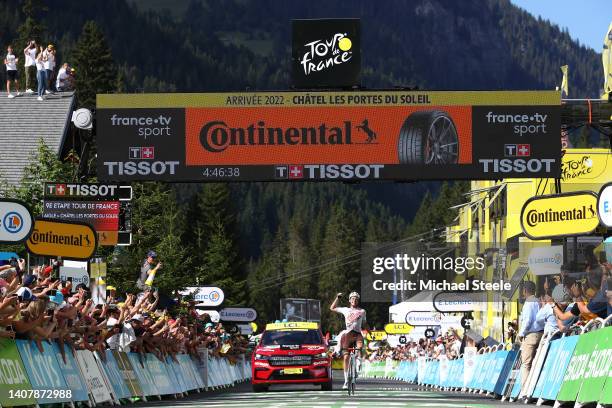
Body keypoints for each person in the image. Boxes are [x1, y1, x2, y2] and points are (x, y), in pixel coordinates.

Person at [330, 291, 367, 390]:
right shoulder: (345, 310)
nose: (354, 300)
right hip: (348, 335)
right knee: (346, 357)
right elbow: (332, 308)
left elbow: (364, 323)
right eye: (352, 299)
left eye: (356, 299)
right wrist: (337, 298)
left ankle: (358, 361)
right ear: (350, 300)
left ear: (358, 301)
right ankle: (346, 381)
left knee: (359, 348)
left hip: (358, 334)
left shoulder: (362, 311)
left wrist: (369, 332)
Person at [518, 281, 543, 391]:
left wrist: (521, 333)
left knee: (526, 364)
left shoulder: (528, 302)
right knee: (537, 363)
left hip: (530, 336)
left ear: (524, 291)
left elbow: (527, 320)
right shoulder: (538, 301)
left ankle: (525, 391)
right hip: (540, 334)